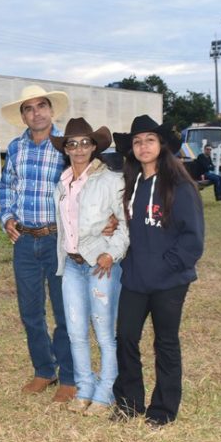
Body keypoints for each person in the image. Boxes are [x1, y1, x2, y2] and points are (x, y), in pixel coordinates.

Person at [112, 115, 205, 427]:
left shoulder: (180, 186)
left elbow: (193, 239)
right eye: (137, 141)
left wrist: (167, 266)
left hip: (169, 281)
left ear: (162, 145)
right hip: (135, 278)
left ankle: (163, 410)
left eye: (150, 140)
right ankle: (129, 403)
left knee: (165, 343)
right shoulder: (131, 185)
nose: (143, 146)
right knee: (125, 337)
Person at [0, 85, 77, 402]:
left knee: (63, 312)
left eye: (41, 106)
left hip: (57, 239)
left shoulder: (66, 146)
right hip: (24, 241)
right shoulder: (15, 148)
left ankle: (69, 377)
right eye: (28, 108)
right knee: (30, 312)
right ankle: (44, 370)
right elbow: (7, 187)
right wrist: (7, 217)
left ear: (51, 110)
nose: (36, 113)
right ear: (23, 116)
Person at [51, 118, 129, 417]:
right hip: (71, 264)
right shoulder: (62, 183)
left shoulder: (111, 181)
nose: (79, 149)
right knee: (76, 331)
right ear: (66, 149)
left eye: (85, 143)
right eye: (72, 144)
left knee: (105, 332)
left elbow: (125, 223)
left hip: (100, 264)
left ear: (94, 147)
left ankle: (106, 391)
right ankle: (85, 388)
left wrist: (112, 253)